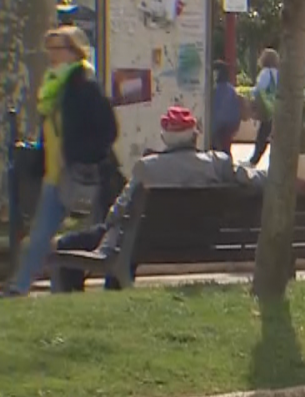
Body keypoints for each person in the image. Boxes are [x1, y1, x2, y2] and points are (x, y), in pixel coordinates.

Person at [49, 106, 267, 292]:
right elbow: (252, 178)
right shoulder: (217, 163)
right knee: (126, 242)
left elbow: (117, 212)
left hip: (144, 242)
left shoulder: (147, 167)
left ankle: (75, 297)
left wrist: (108, 222)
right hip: (201, 240)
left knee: (73, 244)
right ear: (195, 135)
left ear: (164, 137)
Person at [0, 26, 118, 298]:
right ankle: (19, 288)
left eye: (57, 49)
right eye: (49, 49)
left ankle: (65, 289)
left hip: (82, 176)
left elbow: (108, 131)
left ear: (74, 52)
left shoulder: (85, 85)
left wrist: (81, 156)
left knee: (79, 236)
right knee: (39, 237)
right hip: (54, 175)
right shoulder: (54, 86)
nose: (51, 55)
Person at [248, 47, 279, 165]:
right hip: (278, 107)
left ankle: (254, 160)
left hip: (268, 108)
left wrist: (251, 96)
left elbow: (259, 90)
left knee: (262, 136)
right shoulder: (279, 73)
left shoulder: (265, 73)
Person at [210, 60, 243, 155]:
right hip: (230, 123)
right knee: (226, 148)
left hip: (217, 125)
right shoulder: (230, 89)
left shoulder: (214, 89)